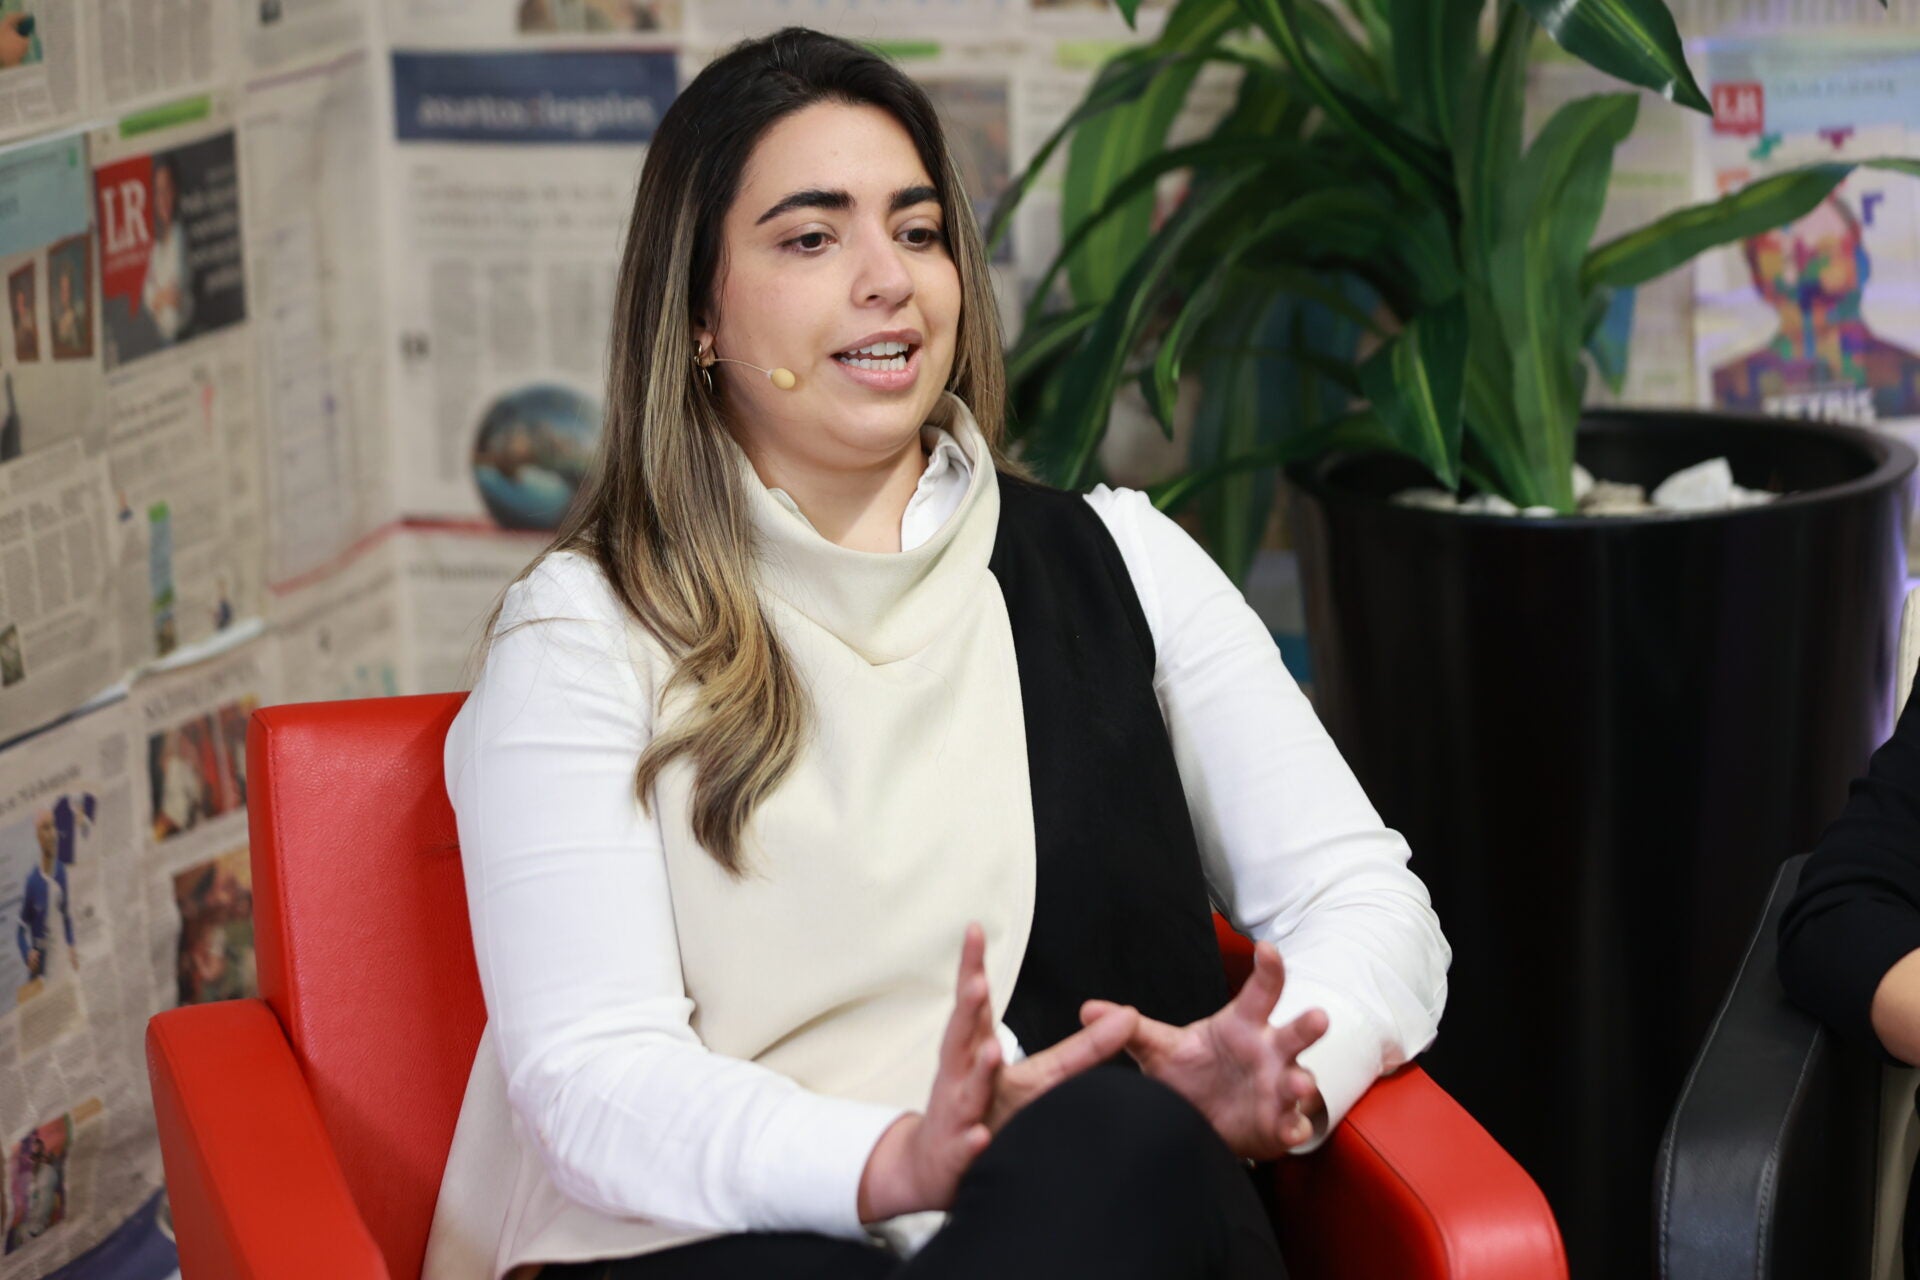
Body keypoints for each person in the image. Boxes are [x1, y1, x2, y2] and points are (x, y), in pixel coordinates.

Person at [423, 29, 1449, 1280]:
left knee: (1126, 1139)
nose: (889, 279)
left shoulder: (1121, 562)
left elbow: (1369, 901)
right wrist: (891, 1160)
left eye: (916, 231)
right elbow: (591, 1072)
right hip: (727, 1238)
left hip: (1083, 1225)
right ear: (697, 316)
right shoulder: (585, 631)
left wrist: (1282, 1060)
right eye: (812, 238)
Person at [15, 810, 74, 983]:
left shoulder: (61, 872)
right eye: (46, 828)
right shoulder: (32, 882)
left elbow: (66, 915)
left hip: (61, 964)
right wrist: (27, 953)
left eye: (54, 826)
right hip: (41, 973)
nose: (53, 834)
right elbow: (20, 930)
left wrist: (71, 945)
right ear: (38, 836)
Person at [141, 159, 192, 345]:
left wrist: (158, 297)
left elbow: (174, 293)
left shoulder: (181, 234)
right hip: (164, 339)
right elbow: (147, 295)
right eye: (158, 191)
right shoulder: (155, 245)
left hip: (185, 336)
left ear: (176, 191)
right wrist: (160, 298)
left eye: (167, 189)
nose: (163, 198)